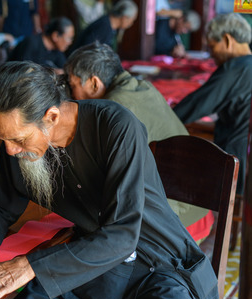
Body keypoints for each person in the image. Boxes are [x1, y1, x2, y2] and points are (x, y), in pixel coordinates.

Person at [0, 61, 218, 299]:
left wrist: (30, 266)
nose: (9, 151)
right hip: (89, 270)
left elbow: (122, 234)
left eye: (17, 139)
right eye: (1, 139)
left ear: (51, 117)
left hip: (160, 269)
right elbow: (0, 204)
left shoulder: (115, 126)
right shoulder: (18, 144)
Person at [64, 42, 210, 232]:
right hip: (199, 205)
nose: (71, 94)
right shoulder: (142, 86)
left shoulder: (111, 109)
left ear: (94, 83)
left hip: (175, 224)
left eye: (73, 85)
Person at [173, 12, 252, 196]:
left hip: (234, 158)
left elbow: (195, 105)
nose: (210, 54)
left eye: (212, 46)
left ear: (227, 40)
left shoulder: (235, 69)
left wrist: (164, 117)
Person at [68, 0, 137, 54]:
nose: (131, 23)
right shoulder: (104, 26)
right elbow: (88, 51)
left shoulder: (111, 27)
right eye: (132, 20)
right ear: (124, 18)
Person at [9, 17, 74, 72]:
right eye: (69, 38)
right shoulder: (31, 43)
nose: (70, 42)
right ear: (55, 36)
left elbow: (65, 69)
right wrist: (52, 72)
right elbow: (23, 71)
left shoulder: (57, 51)